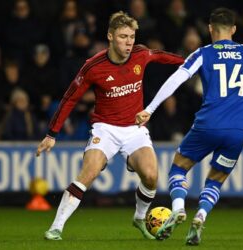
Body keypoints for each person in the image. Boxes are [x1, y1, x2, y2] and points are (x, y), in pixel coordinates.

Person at [136, 7, 243, 246]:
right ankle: (201, 216)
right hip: (238, 130)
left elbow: (176, 79)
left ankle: (178, 208)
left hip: (208, 125)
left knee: (178, 169)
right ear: (233, 29)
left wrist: (149, 109)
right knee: (215, 180)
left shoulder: (204, 52)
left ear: (210, 29)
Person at [36, 11, 184, 240]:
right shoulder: (93, 66)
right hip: (105, 128)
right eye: (123, 36)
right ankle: (56, 227)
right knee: (90, 171)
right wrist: (51, 133)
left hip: (134, 129)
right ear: (110, 36)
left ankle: (139, 217)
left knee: (151, 176)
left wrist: (193, 63)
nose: (129, 42)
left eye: (132, 37)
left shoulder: (141, 54)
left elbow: (163, 57)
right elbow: (70, 98)